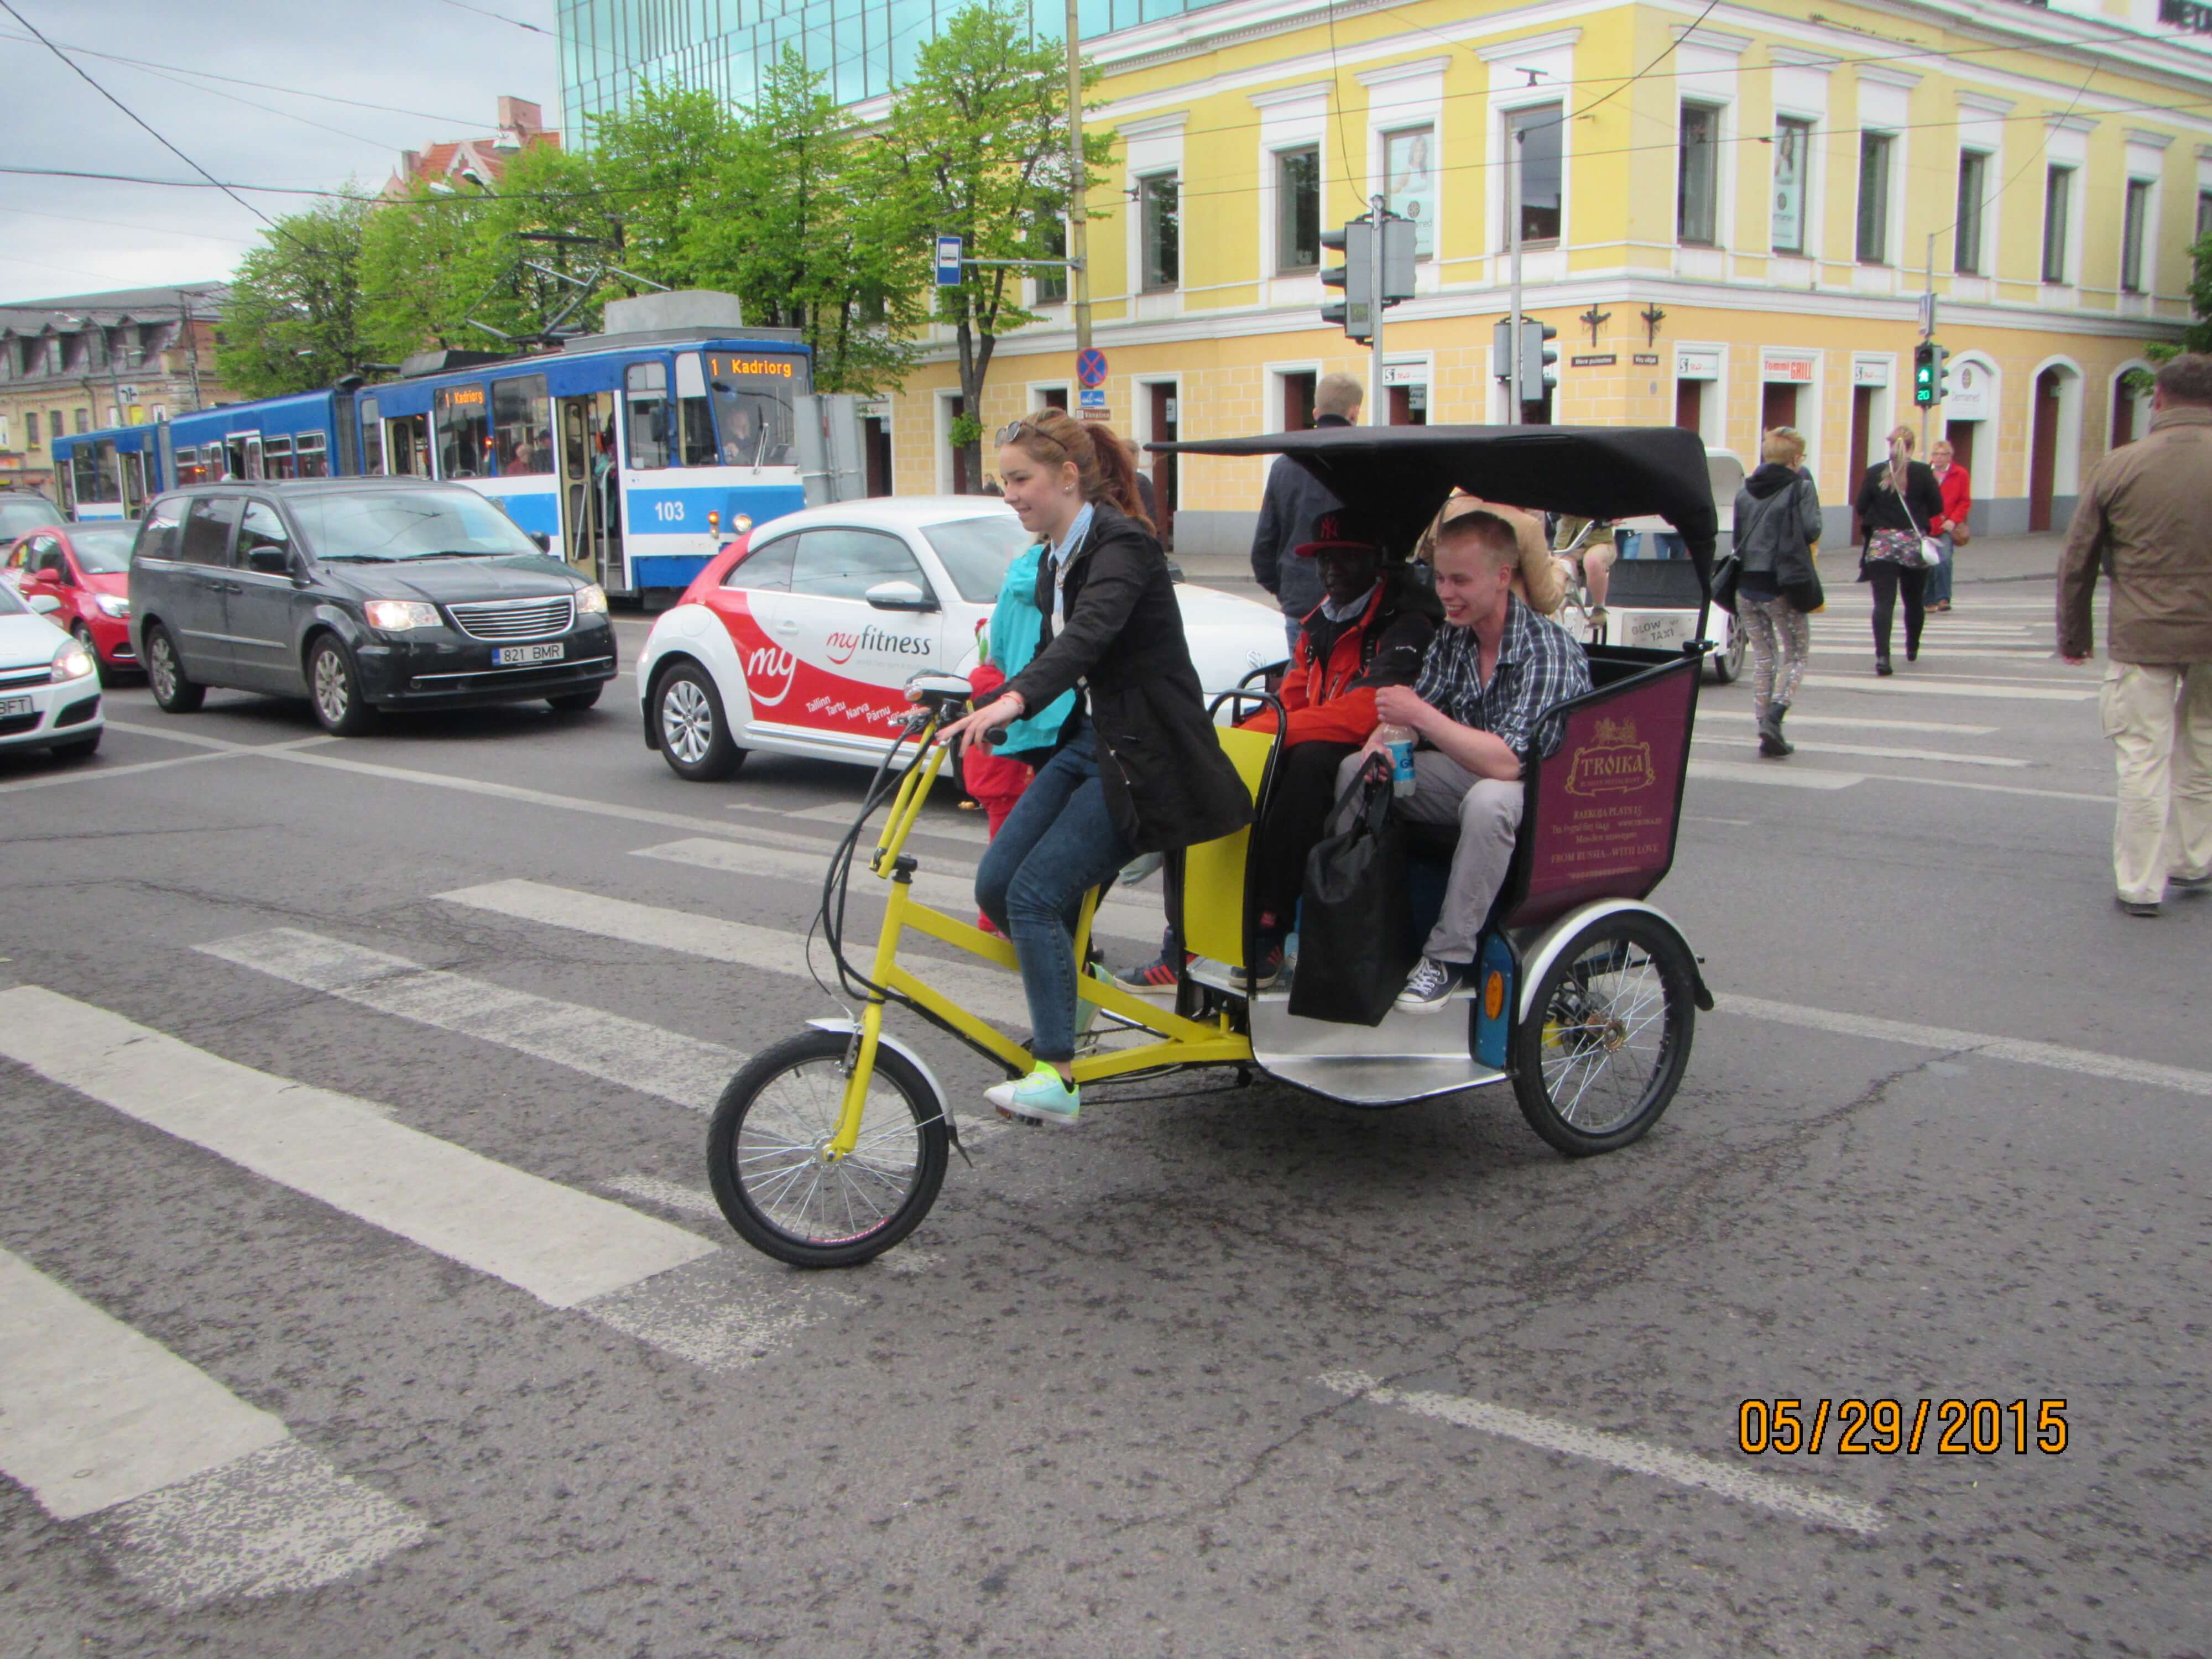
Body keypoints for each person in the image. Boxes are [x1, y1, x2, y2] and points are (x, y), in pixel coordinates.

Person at [942, 411, 1251, 1126]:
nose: (1010, 496)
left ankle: (1057, 1072)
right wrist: (962, 697)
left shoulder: (1123, 545)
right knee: (998, 886)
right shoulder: (1056, 555)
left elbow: (1088, 637)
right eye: (1003, 482)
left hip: (1146, 757)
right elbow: (1044, 650)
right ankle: (1080, 990)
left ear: (1067, 476)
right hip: (1088, 741)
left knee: (1035, 896)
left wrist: (1016, 699)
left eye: (1020, 479)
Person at [1335, 509, 1590, 1010]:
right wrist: (1380, 743)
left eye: (1460, 581)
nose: (1445, 593)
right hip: (1471, 775)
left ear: (1502, 577)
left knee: (1489, 801)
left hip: (1545, 794)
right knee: (1355, 772)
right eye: (1440, 579)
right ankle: (1351, 929)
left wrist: (1419, 716)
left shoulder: (1547, 649)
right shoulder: (1455, 637)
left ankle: (1447, 958)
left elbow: (1509, 763)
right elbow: (1415, 712)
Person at [1230, 503, 1438, 985]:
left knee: (1305, 762)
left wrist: (1272, 734)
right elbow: (1291, 699)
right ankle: (1200, 925)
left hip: (1385, 747)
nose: (1331, 570)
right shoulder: (1318, 623)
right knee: (1247, 764)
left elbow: (1366, 713)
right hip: (1326, 741)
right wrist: (1246, 738)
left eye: (1345, 557)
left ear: (1374, 561)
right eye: (1324, 559)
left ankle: (1271, 920)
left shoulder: (1405, 623)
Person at [2057, 353, 2212, 918]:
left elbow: (2078, 558)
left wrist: (2075, 635)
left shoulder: (2121, 465)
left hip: (2142, 631)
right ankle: (2192, 859)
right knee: (2204, 746)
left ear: (2160, 399)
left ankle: (2141, 885)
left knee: (2144, 757)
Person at [1250, 372, 1363, 659]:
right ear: (1354, 412)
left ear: (1316, 413)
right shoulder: (1366, 462)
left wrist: (1286, 592)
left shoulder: (1284, 465)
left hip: (1300, 604)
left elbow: (1264, 547)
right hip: (1357, 604)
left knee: (1303, 681)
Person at [1731, 427, 1824, 757]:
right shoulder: (1801, 487)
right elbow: (1813, 529)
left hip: (1746, 586)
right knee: (1796, 654)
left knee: (1764, 657)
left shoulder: (1745, 491)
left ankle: (1764, 727)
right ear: (1796, 459)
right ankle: (1775, 715)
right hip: (1782, 585)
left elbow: (1738, 538)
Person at [1853, 425, 1945, 675]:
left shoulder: (1875, 472)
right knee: (1913, 600)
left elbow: (1861, 505)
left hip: (1882, 544)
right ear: (1912, 446)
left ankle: (1883, 656)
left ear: (1890, 445)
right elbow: (1937, 507)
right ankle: (1912, 647)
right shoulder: (1923, 473)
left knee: (1883, 602)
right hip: (1913, 544)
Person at [1926, 439, 1972, 612]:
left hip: (1947, 526)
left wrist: (1953, 520)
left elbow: (1965, 501)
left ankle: (1943, 598)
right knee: (1929, 563)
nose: (1938, 458)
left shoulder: (1960, 474)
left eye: (1942, 454)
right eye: (1935, 454)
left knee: (1945, 560)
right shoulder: (1925, 472)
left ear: (1950, 457)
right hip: (1927, 525)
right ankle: (1929, 600)